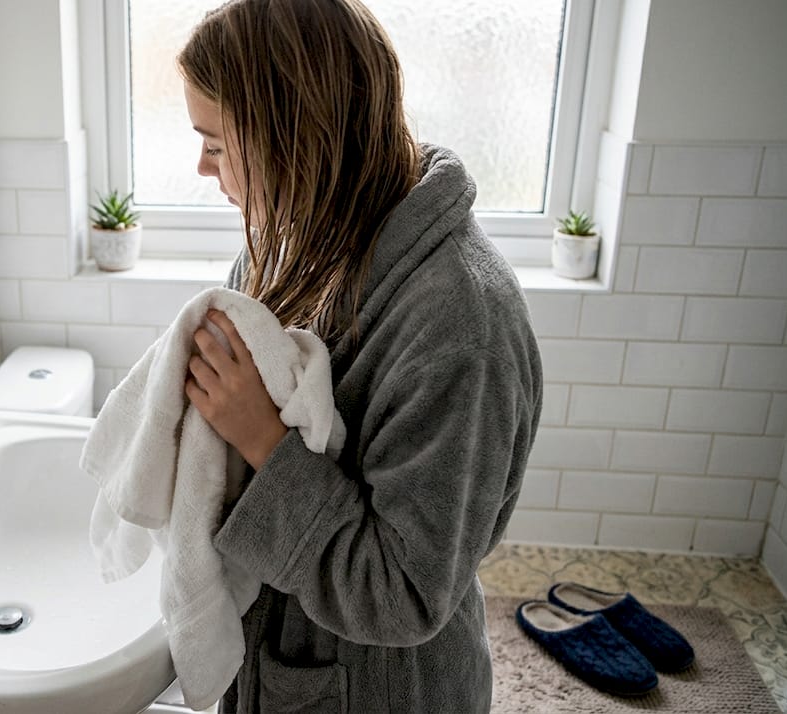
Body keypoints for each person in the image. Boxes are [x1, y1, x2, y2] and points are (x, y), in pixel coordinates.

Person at [177, 1, 543, 711]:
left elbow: (403, 593)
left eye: (217, 144)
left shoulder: (461, 323)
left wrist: (260, 436)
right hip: (282, 659)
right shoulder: (290, 237)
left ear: (295, 134)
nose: (200, 166)